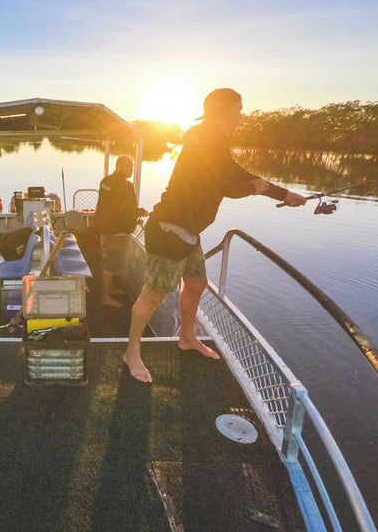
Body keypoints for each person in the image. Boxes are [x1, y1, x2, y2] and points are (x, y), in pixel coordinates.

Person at [124, 88, 307, 383]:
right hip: (169, 229)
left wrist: (283, 193)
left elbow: (235, 172)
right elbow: (230, 185)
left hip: (189, 230)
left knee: (196, 284)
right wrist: (256, 188)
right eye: (238, 110)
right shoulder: (203, 140)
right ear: (221, 112)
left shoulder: (214, 140)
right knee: (153, 295)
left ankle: (186, 337)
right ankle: (131, 352)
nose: (241, 116)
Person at [94, 156, 149, 307]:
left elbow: (109, 206)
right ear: (119, 166)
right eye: (128, 166)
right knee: (110, 264)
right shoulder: (125, 186)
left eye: (131, 166)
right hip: (117, 231)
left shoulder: (105, 182)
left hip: (106, 229)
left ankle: (109, 288)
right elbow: (127, 210)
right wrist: (141, 212)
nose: (131, 170)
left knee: (108, 260)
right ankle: (104, 297)